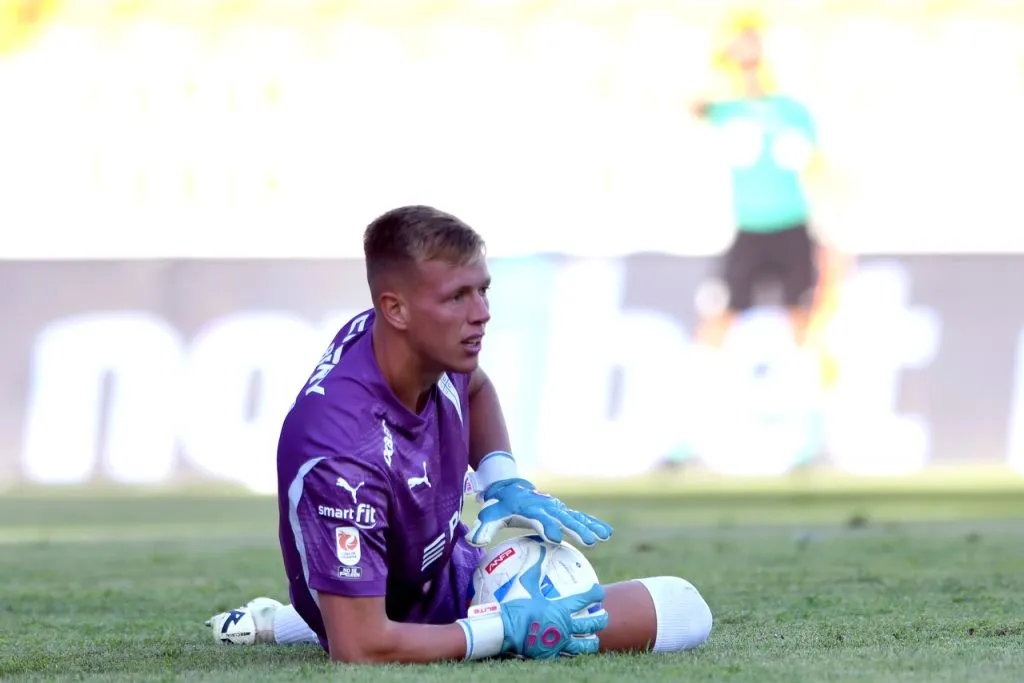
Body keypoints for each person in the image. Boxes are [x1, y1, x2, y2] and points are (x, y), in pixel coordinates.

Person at [206, 205, 713, 663]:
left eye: (483, 290)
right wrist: (501, 632)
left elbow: (477, 387)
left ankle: (274, 622)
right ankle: (304, 618)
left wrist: (503, 481)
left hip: (450, 567)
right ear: (395, 309)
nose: (482, 313)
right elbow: (359, 648)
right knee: (672, 611)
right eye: (457, 297)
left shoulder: (422, 348)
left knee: (682, 603)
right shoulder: (339, 450)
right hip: (393, 616)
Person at [693, 9, 827, 350]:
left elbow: (816, 169)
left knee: (802, 312)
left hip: (791, 221)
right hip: (749, 225)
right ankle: (699, 381)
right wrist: (721, 62)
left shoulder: (794, 112)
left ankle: (808, 389)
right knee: (726, 310)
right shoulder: (726, 110)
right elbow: (691, 101)